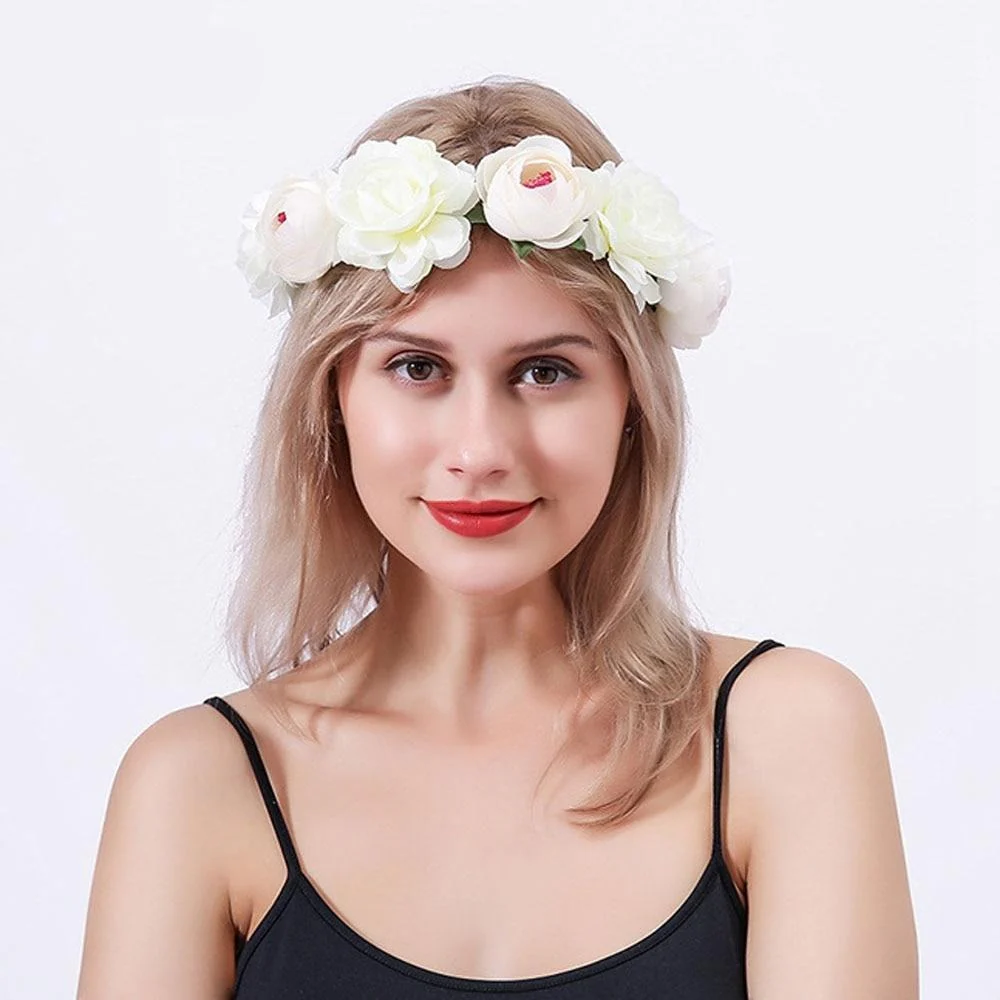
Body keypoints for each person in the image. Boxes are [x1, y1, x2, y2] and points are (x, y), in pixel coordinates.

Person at [77, 77, 918, 999]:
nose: (479, 452)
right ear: (332, 398)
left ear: (631, 405)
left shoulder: (785, 734)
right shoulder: (198, 786)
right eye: (417, 367)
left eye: (546, 372)